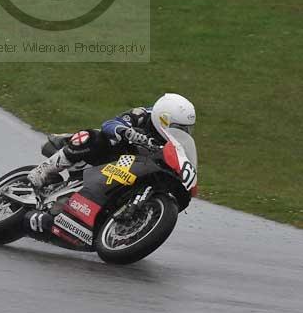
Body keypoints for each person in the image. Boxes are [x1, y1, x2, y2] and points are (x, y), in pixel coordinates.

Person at [24, 93, 196, 239]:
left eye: (186, 129)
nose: (183, 132)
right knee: (91, 136)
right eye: (179, 127)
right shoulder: (142, 114)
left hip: (133, 168)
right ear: (163, 119)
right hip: (109, 156)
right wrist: (127, 132)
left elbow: (180, 159)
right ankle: (43, 170)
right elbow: (109, 124)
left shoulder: (175, 142)